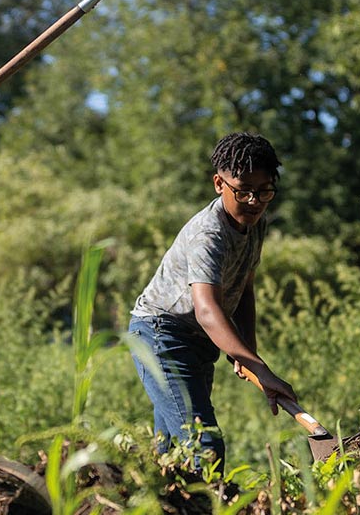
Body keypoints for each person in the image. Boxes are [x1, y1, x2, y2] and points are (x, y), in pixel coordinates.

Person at [128, 131, 298, 472]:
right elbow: (207, 311)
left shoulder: (255, 223)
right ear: (219, 184)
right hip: (162, 336)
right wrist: (263, 371)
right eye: (243, 191)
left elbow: (244, 288)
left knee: (168, 454)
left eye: (264, 191)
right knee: (204, 445)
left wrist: (248, 353)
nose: (254, 201)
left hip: (199, 344)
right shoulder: (209, 234)